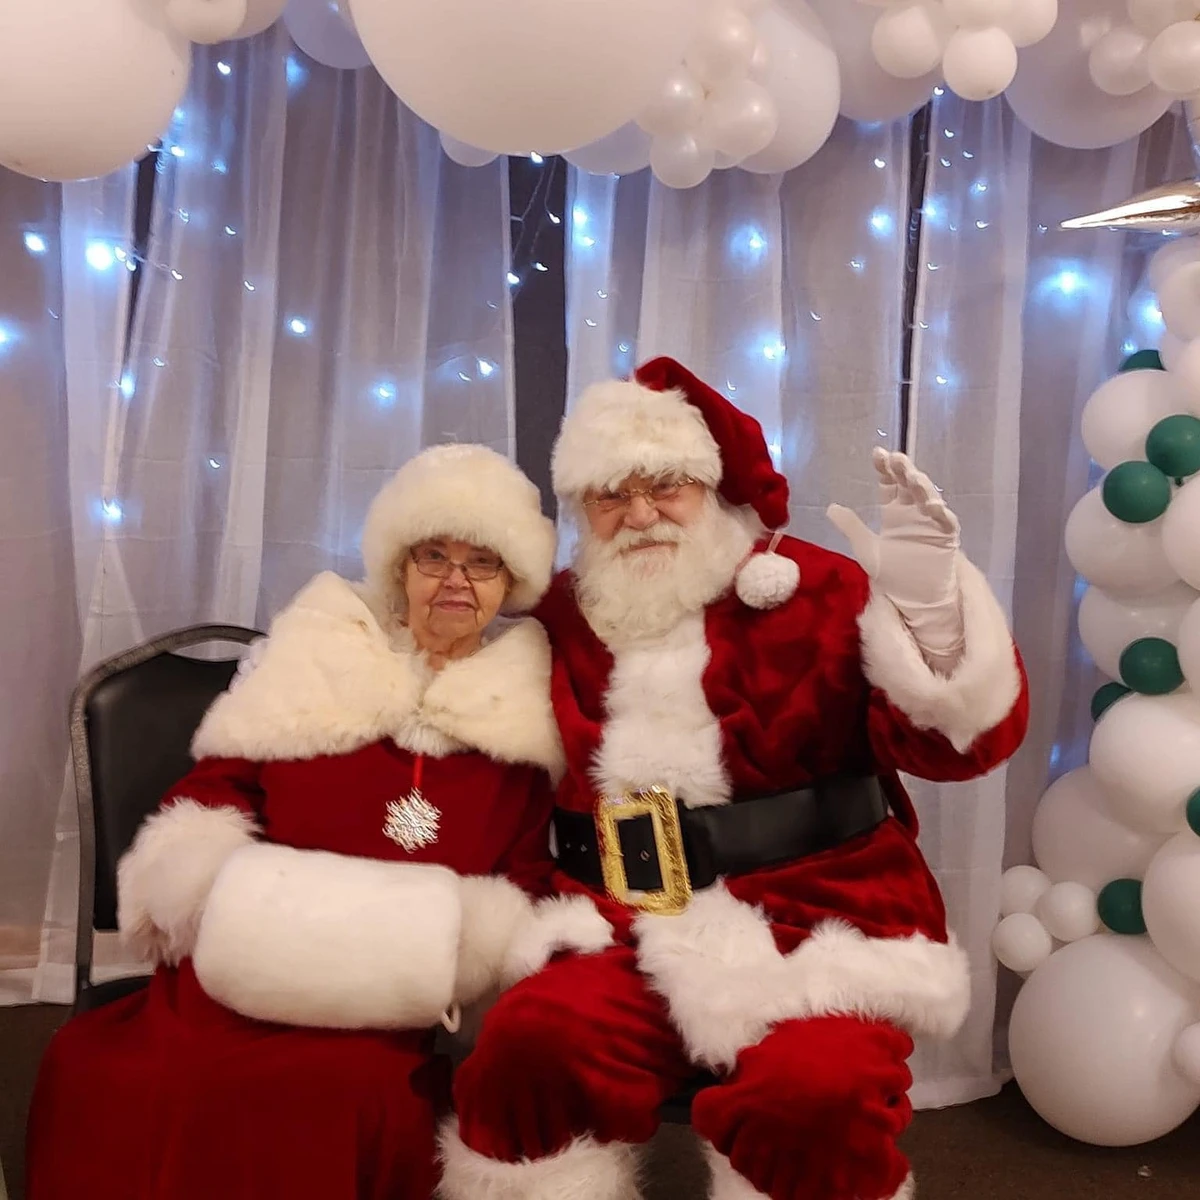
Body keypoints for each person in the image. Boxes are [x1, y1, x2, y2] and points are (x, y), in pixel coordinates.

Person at [438, 358, 1030, 1200]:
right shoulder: (565, 612)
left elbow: (961, 748)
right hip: (618, 924)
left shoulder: (820, 588)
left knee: (812, 1096)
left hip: (822, 920)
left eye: (667, 485)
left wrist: (930, 611)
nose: (640, 514)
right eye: (611, 496)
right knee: (527, 1050)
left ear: (712, 486)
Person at [26, 444, 609, 1200]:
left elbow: (527, 874)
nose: (456, 581)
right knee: (137, 1071)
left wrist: (468, 948)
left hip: (384, 995)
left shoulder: (526, 715)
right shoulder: (317, 654)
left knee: (353, 1094)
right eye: (434, 556)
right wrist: (219, 896)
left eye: (483, 564)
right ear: (400, 568)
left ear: (510, 585)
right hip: (247, 964)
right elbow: (215, 792)